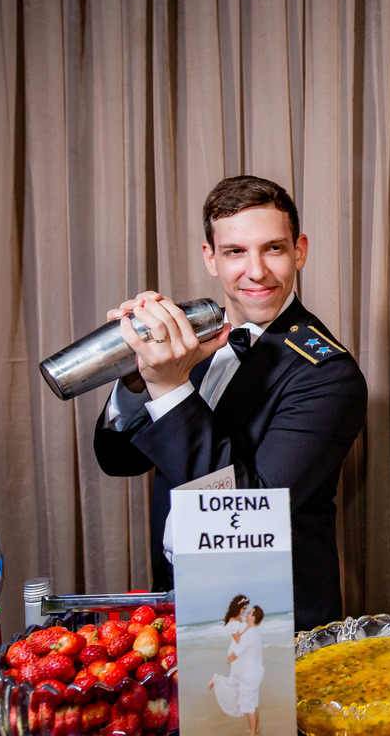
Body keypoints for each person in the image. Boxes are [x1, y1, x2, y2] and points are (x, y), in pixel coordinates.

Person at [93, 175, 367, 631]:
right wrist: (138, 379)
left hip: (266, 617)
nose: (256, 271)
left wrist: (169, 387)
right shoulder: (192, 339)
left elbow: (245, 512)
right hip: (175, 597)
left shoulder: (327, 373)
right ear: (211, 258)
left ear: (299, 251)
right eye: (236, 251)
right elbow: (117, 460)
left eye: (273, 249)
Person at [213, 605, 267, 736]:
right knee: (254, 703)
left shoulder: (249, 634)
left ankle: (253, 733)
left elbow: (238, 651)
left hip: (250, 675)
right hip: (257, 672)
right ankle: (255, 729)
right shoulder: (255, 632)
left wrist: (229, 660)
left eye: (250, 613)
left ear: (253, 618)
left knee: (249, 706)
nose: (247, 614)